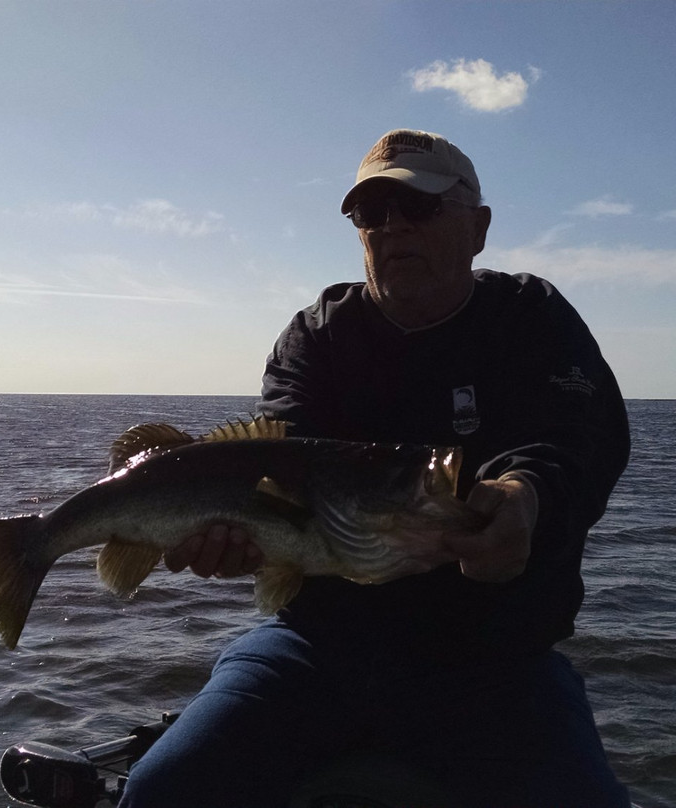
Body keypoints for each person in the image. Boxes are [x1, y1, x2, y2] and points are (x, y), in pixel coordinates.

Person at [119, 129, 632, 807]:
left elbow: (576, 438)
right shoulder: (317, 335)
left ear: (477, 228)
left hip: (498, 662)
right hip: (317, 649)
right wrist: (229, 535)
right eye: (372, 213)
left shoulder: (530, 318)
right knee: (163, 791)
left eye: (418, 208)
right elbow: (276, 464)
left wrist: (525, 496)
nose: (393, 228)